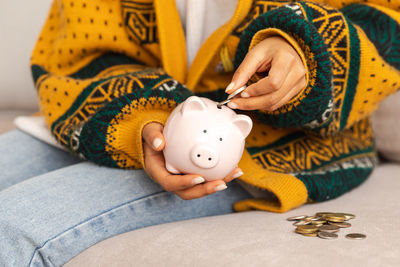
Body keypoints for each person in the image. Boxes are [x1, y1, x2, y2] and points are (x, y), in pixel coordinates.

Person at [1, 0, 399, 265]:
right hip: (101, 113)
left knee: (12, 225)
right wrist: (143, 118)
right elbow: (81, 44)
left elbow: (388, 17)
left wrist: (309, 49)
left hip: (271, 146)